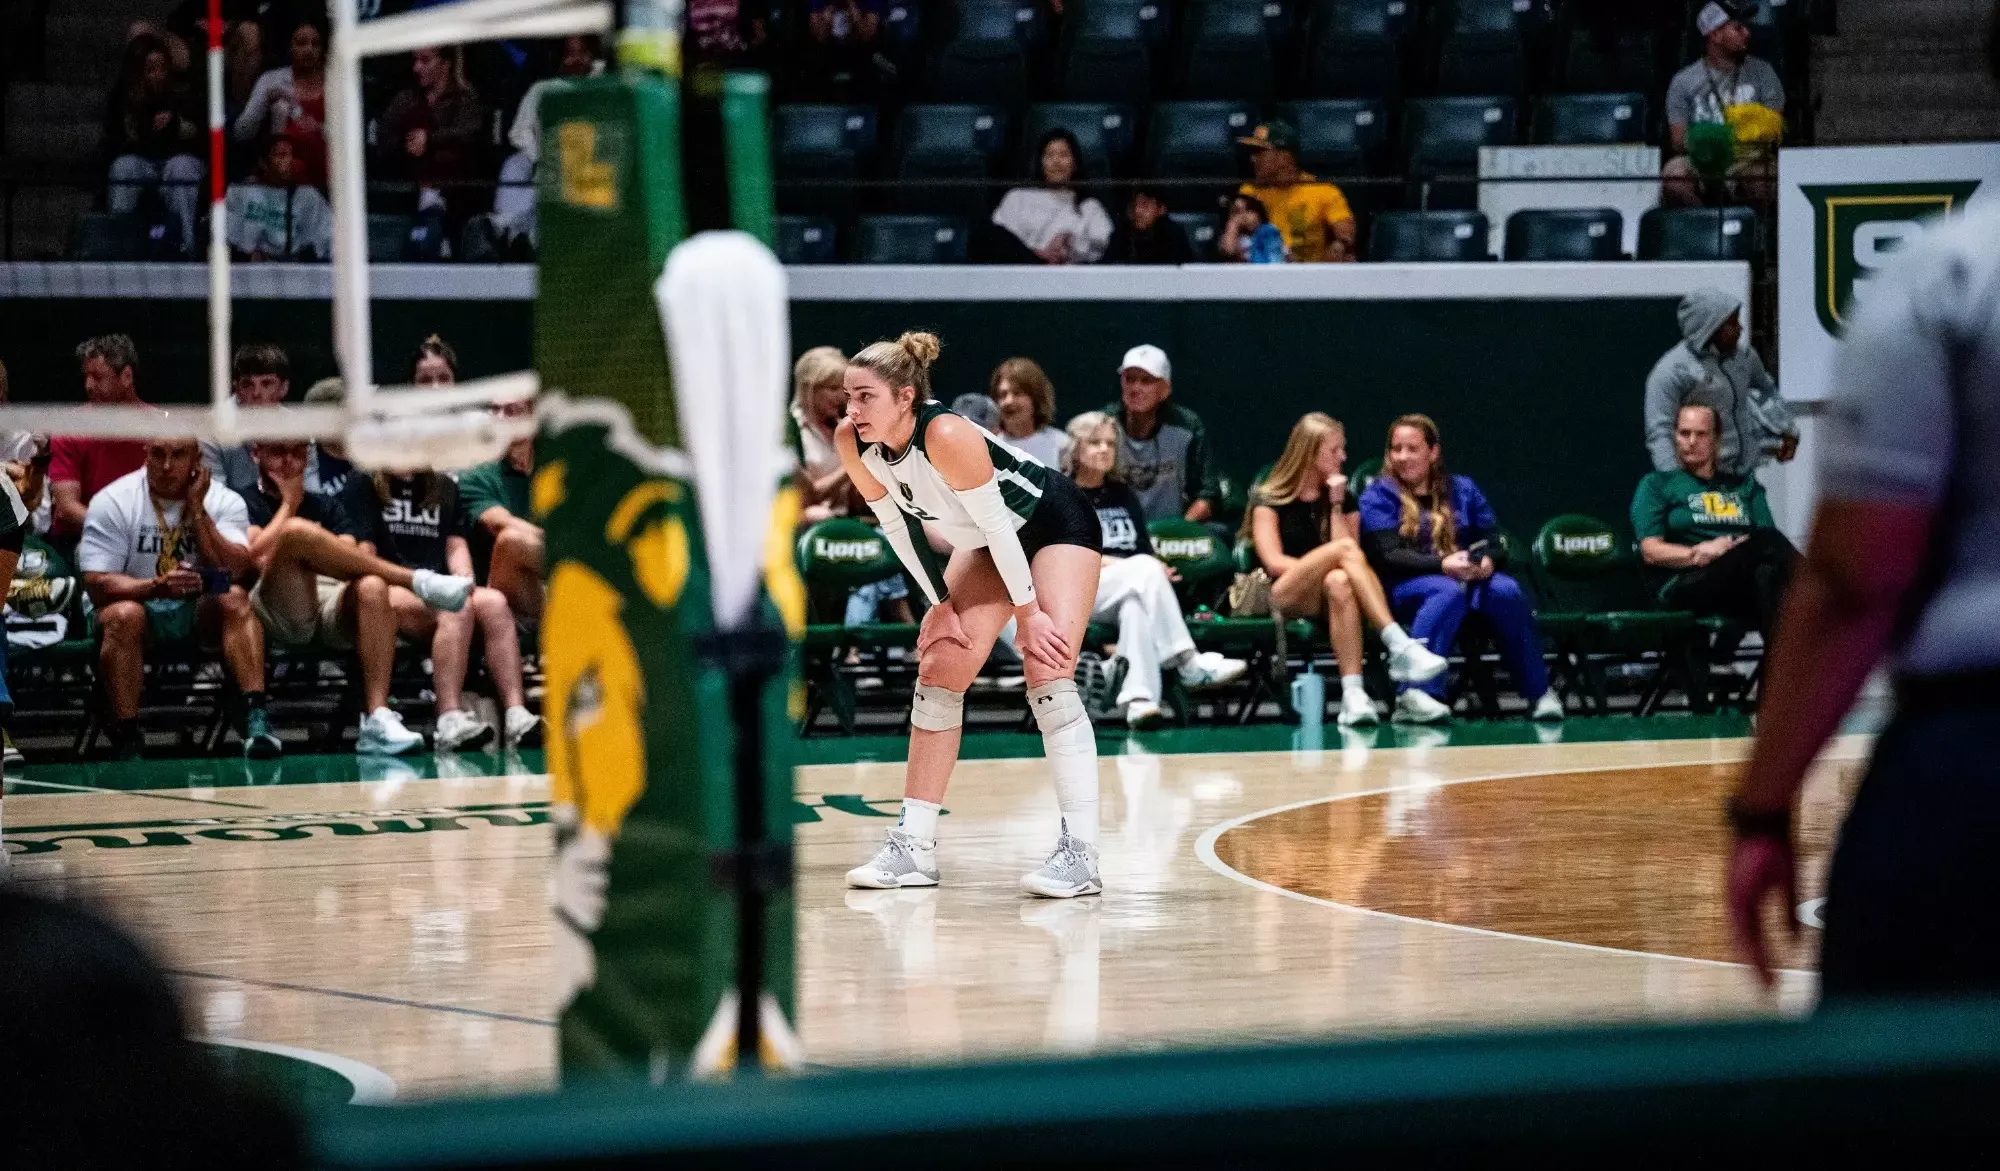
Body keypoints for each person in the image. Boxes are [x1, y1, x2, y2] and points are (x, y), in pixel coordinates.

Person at [1727, 192, 2000, 994]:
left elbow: (1860, 575)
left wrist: (1762, 808)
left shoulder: (1949, 272)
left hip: (1974, 755)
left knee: (1908, 1059)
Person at [836, 332, 1107, 898]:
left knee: (1048, 669)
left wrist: (1028, 615)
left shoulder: (946, 434)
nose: (852, 410)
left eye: (865, 397)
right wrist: (939, 605)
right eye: (848, 398)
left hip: (1052, 523)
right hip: (986, 539)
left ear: (905, 397)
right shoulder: (853, 442)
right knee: (941, 664)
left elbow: (1003, 526)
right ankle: (913, 848)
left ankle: (1081, 856)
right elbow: (897, 526)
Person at [340, 341, 539, 750]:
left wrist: (464, 578)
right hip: (392, 587)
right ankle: (448, 717)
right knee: (456, 607)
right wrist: (424, 585)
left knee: (492, 602)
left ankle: (518, 714)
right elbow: (364, 558)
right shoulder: (364, 484)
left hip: (437, 589)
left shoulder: (443, 486)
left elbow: (454, 544)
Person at [239, 439, 474, 755]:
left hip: (330, 599)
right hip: (277, 605)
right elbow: (256, 559)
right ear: (256, 454)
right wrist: (289, 506)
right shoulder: (244, 501)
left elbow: (351, 560)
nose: (288, 461)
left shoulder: (327, 505)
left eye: (297, 453)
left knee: (373, 586)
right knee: (295, 532)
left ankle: (376, 717)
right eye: (279, 452)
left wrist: (317, 551)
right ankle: (417, 580)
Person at [1359, 415, 1564, 724]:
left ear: (1433, 452)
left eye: (1412, 448)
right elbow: (1386, 555)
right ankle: (1414, 693)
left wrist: (1487, 562)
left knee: (1506, 590)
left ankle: (1539, 692)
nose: (1403, 456)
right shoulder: (1378, 494)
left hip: (1466, 580)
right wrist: (1442, 565)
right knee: (1445, 590)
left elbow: (1494, 540)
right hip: (1404, 587)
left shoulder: (1463, 489)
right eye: (1396, 449)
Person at [1246, 413, 1448, 726]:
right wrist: (1322, 564)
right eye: (1334, 450)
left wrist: (1336, 506)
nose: (1343, 457)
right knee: (1341, 557)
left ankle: (1353, 697)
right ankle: (1397, 643)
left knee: (1340, 580)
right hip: (1284, 593)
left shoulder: (1342, 498)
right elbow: (1273, 561)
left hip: (1330, 593)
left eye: (1343, 449)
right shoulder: (1270, 497)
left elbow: (1353, 560)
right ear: (1309, 453)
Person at [78, 439, 271, 759]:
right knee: (125, 615)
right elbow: (96, 584)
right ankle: (127, 735)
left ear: (197, 458)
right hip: (135, 606)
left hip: (195, 606)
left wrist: (198, 510)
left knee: (235, 599)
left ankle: (256, 718)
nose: (167, 466)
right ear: (146, 455)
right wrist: (155, 587)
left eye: (178, 455)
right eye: (158, 454)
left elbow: (237, 573)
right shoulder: (113, 500)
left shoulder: (224, 500)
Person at [1064, 411, 1247, 728]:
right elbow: (1071, 555)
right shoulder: (1062, 493)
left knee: (1135, 606)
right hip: (1077, 591)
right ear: (1076, 449)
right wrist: (1141, 567)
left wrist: (1153, 569)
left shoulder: (1122, 494)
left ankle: (1140, 701)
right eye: (1095, 443)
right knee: (1144, 571)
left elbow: (1142, 550)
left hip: (1124, 584)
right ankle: (1188, 662)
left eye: (1110, 443)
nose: (1105, 449)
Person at [1633, 403, 1798, 638]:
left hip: (1739, 581)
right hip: (1688, 581)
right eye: (1684, 433)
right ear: (1675, 437)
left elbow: (1765, 541)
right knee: (1768, 549)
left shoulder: (1744, 485)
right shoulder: (1656, 485)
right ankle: (1822, 589)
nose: (1691, 441)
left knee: (1767, 573)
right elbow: (1650, 550)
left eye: (1700, 434)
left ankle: (1777, 660)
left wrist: (1729, 546)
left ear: (1716, 440)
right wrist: (1698, 553)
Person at [1645, 287, 1797, 477]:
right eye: (1731, 324)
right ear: (1709, 328)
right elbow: (1660, 433)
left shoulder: (1745, 357)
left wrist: (1787, 429)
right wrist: (1676, 482)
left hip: (1744, 478)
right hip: (1699, 480)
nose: (1740, 329)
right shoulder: (1672, 371)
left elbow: (1767, 390)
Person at [1662, 2, 1785, 208]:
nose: (1747, 33)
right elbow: (1678, 140)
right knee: (1675, 177)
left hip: (1749, 158)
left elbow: (1773, 127)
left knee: (1763, 180)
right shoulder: (1683, 81)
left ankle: (1749, 226)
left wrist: (1722, 135)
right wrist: (1723, 138)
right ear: (1715, 35)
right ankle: (1705, 223)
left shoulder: (1763, 72)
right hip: (1702, 159)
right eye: (1738, 28)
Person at [493, 35, 603, 253]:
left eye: (580, 53)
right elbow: (519, 132)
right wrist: (538, 157)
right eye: (569, 54)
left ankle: (529, 238)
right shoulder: (543, 89)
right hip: (542, 159)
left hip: (583, 163)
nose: (574, 59)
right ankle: (508, 231)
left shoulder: (604, 86)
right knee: (513, 166)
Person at [377, 45, 491, 246]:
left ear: (446, 64)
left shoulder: (465, 99)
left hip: (454, 192)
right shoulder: (406, 99)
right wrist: (408, 143)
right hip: (410, 188)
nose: (416, 68)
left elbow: (470, 135)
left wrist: (429, 140)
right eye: (415, 60)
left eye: (425, 61)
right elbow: (384, 137)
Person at [1099, 345, 1223, 528]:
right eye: (1129, 379)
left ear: (1165, 389)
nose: (1135, 388)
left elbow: (1208, 494)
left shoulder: (1187, 427)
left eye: (1146, 381)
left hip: (1171, 531)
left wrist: (1179, 529)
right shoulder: (1103, 424)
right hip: (1114, 531)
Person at [103, 34, 203, 256]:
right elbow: (115, 141)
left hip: (177, 160)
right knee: (124, 167)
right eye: (151, 69)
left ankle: (185, 248)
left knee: (181, 168)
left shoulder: (184, 92)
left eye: (162, 68)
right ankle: (119, 248)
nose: (158, 74)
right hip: (142, 162)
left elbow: (199, 135)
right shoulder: (122, 97)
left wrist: (175, 124)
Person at [50, 335, 154, 544]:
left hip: (145, 540)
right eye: (86, 377)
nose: (88, 385)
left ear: (126, 376)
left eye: (97, 377)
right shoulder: (68, 428)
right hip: (77, 540)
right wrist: (121, 531)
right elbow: (66, 508)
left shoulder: (163, 429)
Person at [457, 398, 544, 630]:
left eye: (511, 411)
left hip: (556, 586)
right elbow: (500, 524)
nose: (499, 418)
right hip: (508, 600)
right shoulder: (476, 475)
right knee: (511, 541)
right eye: (495, 410)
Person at [1236, 119, 1357, 263]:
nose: (1253, 159)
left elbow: (1345, 232)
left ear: (1284, 157)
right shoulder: (1249, 191)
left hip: (1309, 271)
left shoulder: (1322, 190)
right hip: (1263, 270)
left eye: (1260, 152)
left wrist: (1340, 245)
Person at [233, 17, 330, 191]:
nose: (309, 50)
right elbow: (241, 133)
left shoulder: (335, 83)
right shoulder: (271, 80)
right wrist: (263, 103)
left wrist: (318, 128)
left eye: (315, 44)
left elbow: (351, 134)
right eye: (301, 43)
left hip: (327, 172)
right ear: (290, 47)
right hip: (281, 175)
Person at [992, 129, 1114, 266]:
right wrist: (1037, 254)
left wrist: (1070, 242)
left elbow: (1102, 244)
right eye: (1049, 155)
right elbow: (1001, 238)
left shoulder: (1090, 207)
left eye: (1063, 155)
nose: (1056, 161)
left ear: (1074, 164)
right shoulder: (1017, 197)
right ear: (1041, 163)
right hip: (1020, 270)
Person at [226, 137, 333, 261]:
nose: (288, 161)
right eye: (281, 155)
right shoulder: (240, 192)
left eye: (291, 156)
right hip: (245, 265)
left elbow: (325, 238)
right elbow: (226, 233)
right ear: (263, 162)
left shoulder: (307, 196)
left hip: (293, 266)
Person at [203, 343, 292, 492]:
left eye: (266, 384)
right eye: (247, 385)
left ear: (283, 388)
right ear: (237, 389)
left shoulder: (298, 427)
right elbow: (215, 497)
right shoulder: (211, 427)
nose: (256, 393)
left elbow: (310, 492)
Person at [988, 357, 1068, 468]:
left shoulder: (1061, 445)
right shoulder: (989, 447)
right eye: (1003, 394)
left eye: (1017, 393)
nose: (1009, 401)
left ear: (1035, 398)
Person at [1102, 184, 1194, 265]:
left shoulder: (1174, 234)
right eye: (1133, 205)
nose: (1137, 211)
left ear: (1161, 209)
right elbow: (1107, 268)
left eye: (1145, 205)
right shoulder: (1121, 233)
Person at [1219, 192, 1288, 264]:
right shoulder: (1233, 237)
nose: (1244, 216)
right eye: (1238, 212)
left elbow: (1282, 257)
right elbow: (1228, 251)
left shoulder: (1269, 231)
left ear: (1258, 211)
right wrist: (1233, 225)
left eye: (1249, 211)